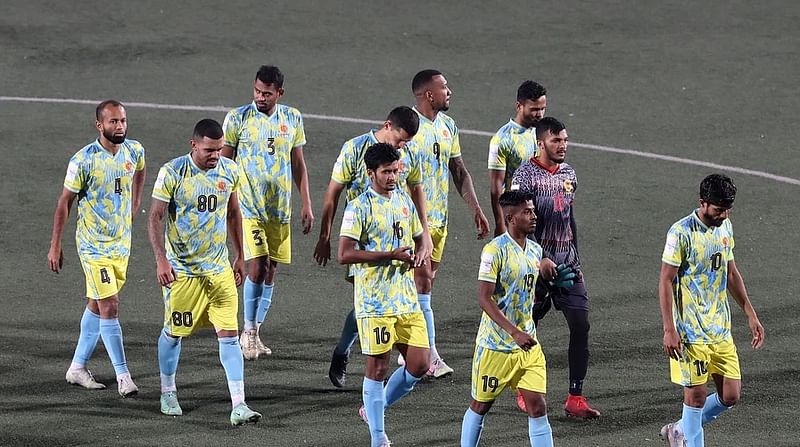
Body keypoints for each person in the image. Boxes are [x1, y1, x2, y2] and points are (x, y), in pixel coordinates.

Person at [148, 118, 261, 426]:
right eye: (209, 150)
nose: (215, 155)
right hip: (183, 273)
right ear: (193, 145)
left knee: (228, 336)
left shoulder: (230, 170)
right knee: (174, 333)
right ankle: (167, 391)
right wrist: (161, 260)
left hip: (219, 271)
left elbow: (234, 212)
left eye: (219, 149)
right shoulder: (172, 172)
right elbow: (156, 217)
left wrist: (240, 255)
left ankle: (239, 403)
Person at [313, 106, 432, 388]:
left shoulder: (404, 155)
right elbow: (333, 193)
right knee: (367, 304)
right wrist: (325, 235)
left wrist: (424, 234)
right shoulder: (354, 149)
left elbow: (416, 190)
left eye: (407, 143)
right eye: (400, 139)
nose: (402, 146)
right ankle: (344, 353)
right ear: (387, 125)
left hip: (397, 235)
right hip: (362, 240)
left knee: (385, 302)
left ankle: (413, 354)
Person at [658, 174, 765, 447]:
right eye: (718, 209)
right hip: (690, 333)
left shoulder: (725, 227)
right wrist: (670, 329)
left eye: (728, 209)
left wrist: (750, 313)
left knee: (731, 395)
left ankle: (678, 430)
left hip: (720, 329)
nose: (724, 214)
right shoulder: (680, 232)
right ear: (702, 203)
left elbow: (731, 273)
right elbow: (665, 280)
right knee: (694, 398)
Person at [48, 100, 144, 397]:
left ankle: (77, 368)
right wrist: (55, 244)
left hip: (120, 243)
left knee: (96, 304)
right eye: (113, 122)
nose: (120, 127)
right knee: (110, 304)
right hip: (92, 245)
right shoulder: (84, 160)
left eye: (123, 121)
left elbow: (140, 170)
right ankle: (124, 376)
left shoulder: (134, 150)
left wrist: (135, 204)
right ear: (99, 125)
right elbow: (65, 202)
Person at [338, 143, 430, 447]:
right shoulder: (359, 207)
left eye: (395, 170)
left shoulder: (404, 200)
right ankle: (378, 437)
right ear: (370, 173)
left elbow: (420, 236)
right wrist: (388, 254)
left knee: (419, 364)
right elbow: (344, 254)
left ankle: (373, 409)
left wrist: (423, 250)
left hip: (405, 298)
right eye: (386, 172)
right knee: (378, 367)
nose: (393, 176)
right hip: (375, 302)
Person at [461, 190, 568, 447]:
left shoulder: (534, 249)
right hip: (495, 347)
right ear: (510, 217)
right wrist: (514, 332)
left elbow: (529, 288)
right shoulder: (493, 251)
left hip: (528, 346)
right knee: (480, 406)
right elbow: (485, 299)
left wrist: (548, 276)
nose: (534, 216)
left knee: (538, 406)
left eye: (533, 210)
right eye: (527, 212)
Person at [222, 65, 314, 359]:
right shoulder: (238, 118)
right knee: (258, 265)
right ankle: (247, 332)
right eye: (257, 91)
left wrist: (307, 203)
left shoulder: (292, 118)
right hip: (248, 206)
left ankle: (255, 331)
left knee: (271, 270)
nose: (260, 97)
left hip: (279, 209)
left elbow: (298, 163)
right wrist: (227, 200)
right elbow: (224, 164)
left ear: (279, 93)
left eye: (267, 93)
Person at [511, 117, 601, 418]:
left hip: (567, 263)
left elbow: (569, 217)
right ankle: (524, 387)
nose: (562, 146)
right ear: (541, 142)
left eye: (564, 140)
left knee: (580, 324)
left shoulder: (569, 174)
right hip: (535, 266)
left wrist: (576, 257)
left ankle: (575, 397)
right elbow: (520, 223)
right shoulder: (525, 176)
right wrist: (539, 259)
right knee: (527, 327)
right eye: (556, 141)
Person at [405, 69, 490, 378]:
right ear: (429, 94)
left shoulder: (448, 126)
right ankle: (429, 356)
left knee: (420, 288)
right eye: (444, 87)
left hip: (440, 221)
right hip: (414, 224)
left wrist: (476, 209)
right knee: (422, 285)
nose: (449, 91)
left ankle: (408, 351)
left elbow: (459, 170)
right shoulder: (409, 128)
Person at [488, 81, 547, 237]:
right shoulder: (503, 139)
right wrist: (500, 223)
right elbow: (496, 188)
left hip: (543, 210)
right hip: (519, 215)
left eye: (542, 109)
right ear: (519, 106)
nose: (539, 114)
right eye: (534, 110)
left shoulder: (542, 132)